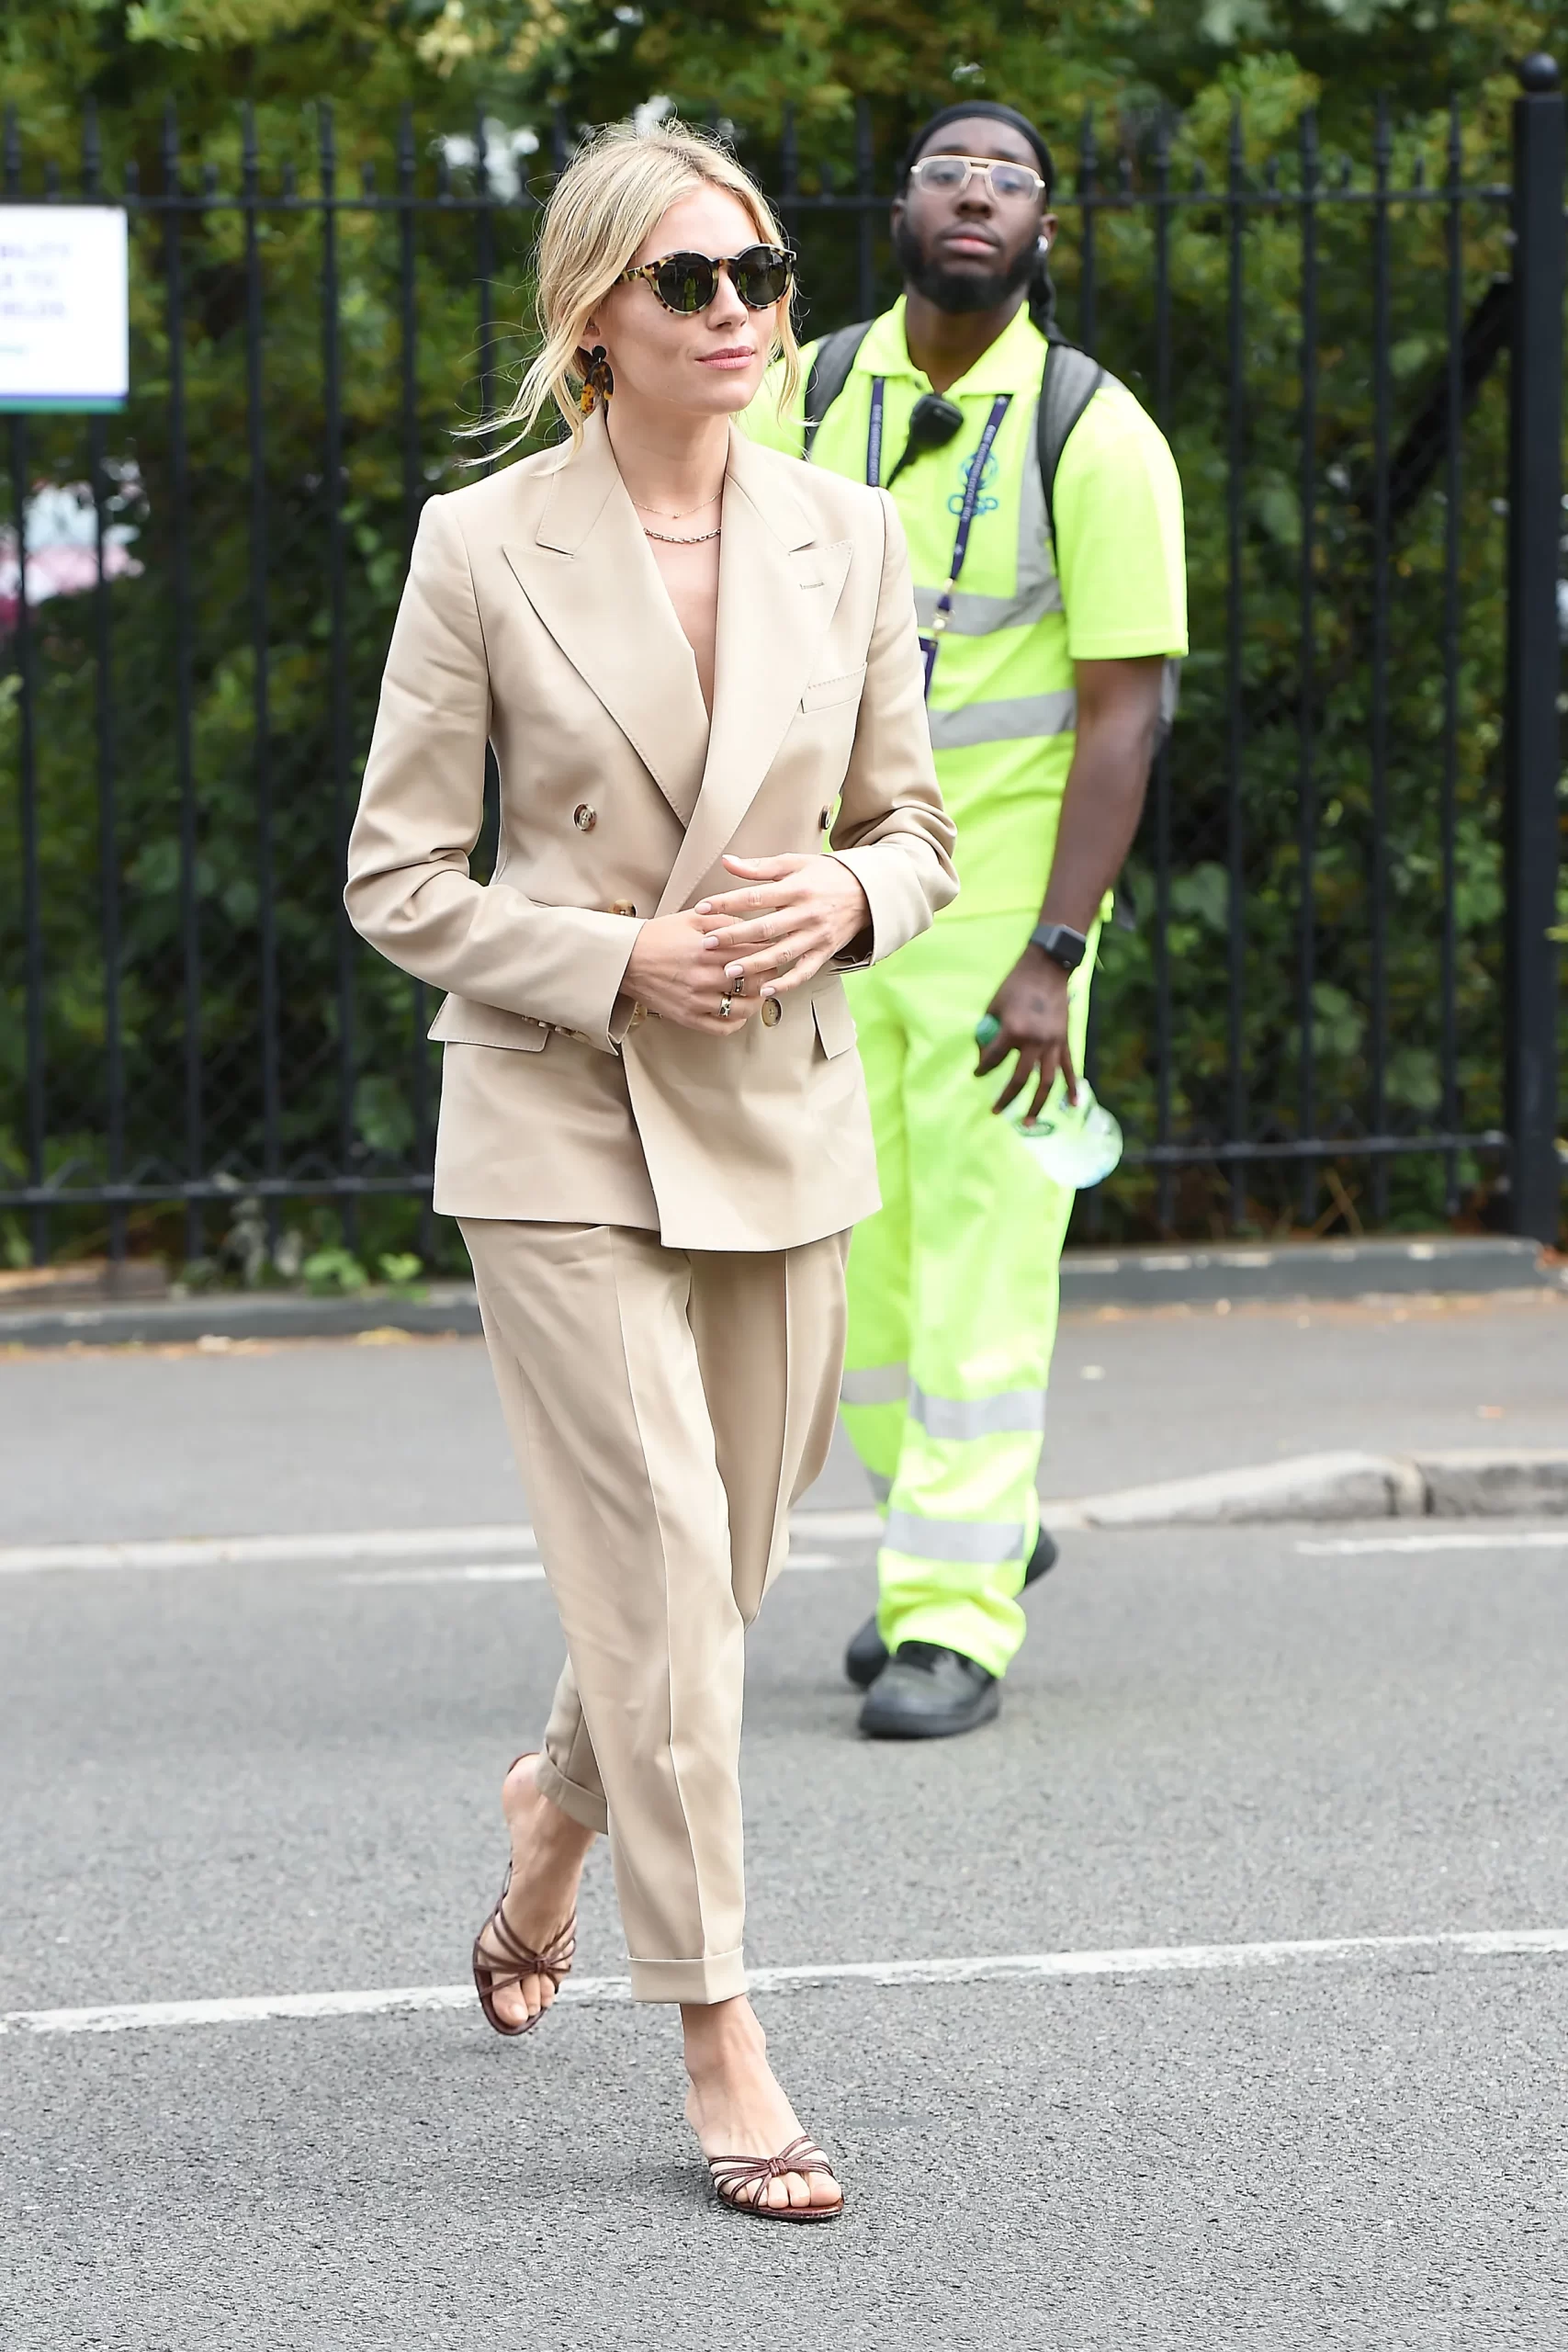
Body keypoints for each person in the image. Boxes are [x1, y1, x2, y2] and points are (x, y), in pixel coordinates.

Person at [344, 121, 954, 2220]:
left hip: (779, 1099)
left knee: (730, 1558)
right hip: (558, 1104)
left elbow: (914, 829)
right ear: (592, 313)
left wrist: (848, 905)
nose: (735, 313)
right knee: (670, 1579)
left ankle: (553, 1805)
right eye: (687, 280)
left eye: (759, 275)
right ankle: (717, 2027)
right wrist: (616, 958)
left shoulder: (847, 533)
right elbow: (397, 877)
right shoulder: (480, 544)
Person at [746, 102, 1186, 1739]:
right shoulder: (800, 392)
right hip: (830, 907)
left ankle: (949, 1615)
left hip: (1003, 929)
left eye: (1009, 180)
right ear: (900, 211)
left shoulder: (1097, 435)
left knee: (984, 1278)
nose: (976, 193)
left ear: (1042, 234)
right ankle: (969, 1527)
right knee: (849, 1281)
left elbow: (1125, 718)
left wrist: (1054, 955)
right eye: (949, 170)